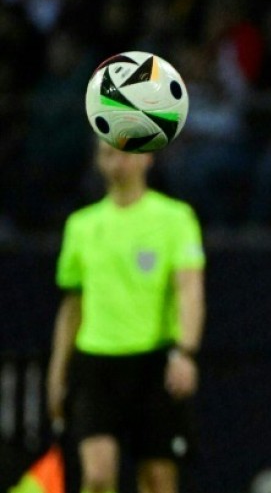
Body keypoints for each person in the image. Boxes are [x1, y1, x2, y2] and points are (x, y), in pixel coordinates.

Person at [46, 139, 206, 493]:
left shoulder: (175, 218)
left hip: (152, 363)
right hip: (96, 365)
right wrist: (58, 372)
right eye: (107, 154)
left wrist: (186, 352)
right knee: (99, 475)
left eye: (124, 153)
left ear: (147, 158)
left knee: (158, 479)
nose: (117, 162)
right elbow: (72, 307)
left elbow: (189, 290)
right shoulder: (81, 226)